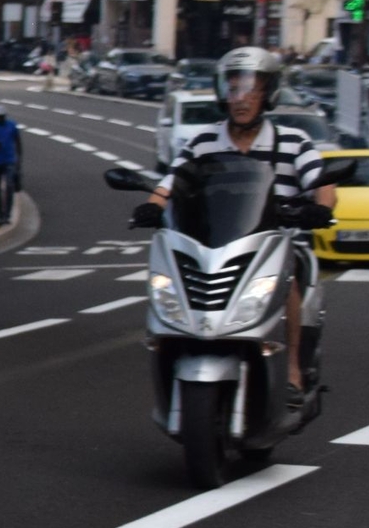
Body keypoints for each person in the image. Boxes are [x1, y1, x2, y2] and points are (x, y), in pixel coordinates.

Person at [139, 46, 336, 392]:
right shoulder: (203, 142)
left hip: (275, 244)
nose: (241, 99)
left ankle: (291, 370)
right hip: (214, 247)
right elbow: (171, 181)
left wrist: (321, 207)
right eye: (234, 89)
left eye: (251, 89)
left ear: (268, 93)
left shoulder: (294, 141)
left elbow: (322, 182)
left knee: (284, 282)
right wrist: (152, 206)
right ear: (222, 93)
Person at [0, 109, 22, 216]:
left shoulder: (12, 126)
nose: (0, 119)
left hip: (9, 160)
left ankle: (7, 213)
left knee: (9, 186)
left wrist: (18, 161)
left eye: (2, 116)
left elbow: (18, 143)